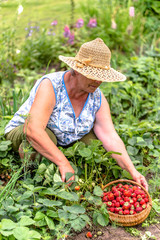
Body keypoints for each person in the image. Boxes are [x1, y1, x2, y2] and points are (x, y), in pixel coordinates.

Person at [5, 38, 148, 190]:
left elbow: (110, 136)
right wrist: (63, 162)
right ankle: (30, 180)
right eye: (93, 74)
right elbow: (32, 129)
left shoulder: (97, 97)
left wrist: (133, 171)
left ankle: (65, 169)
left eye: (101, 76)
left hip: (63, 138)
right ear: (78, 70)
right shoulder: (52, 86)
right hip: (23, 131)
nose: (98, 81)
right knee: (46, 136)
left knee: (94, 143)